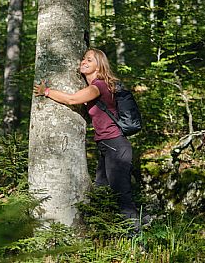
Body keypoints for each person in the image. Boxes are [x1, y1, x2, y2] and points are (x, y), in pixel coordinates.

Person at [33, 48, 143, 232]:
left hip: (116, 145)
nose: (83, 61)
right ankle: (110, 233)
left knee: (121, 195)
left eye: (89, 60)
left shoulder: (98, 86)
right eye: (83, 58)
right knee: (101, 190)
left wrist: (47, 91)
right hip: (108, 146)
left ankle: (136, 237)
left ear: (99, 65)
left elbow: (71, 99)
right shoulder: (97, 86)